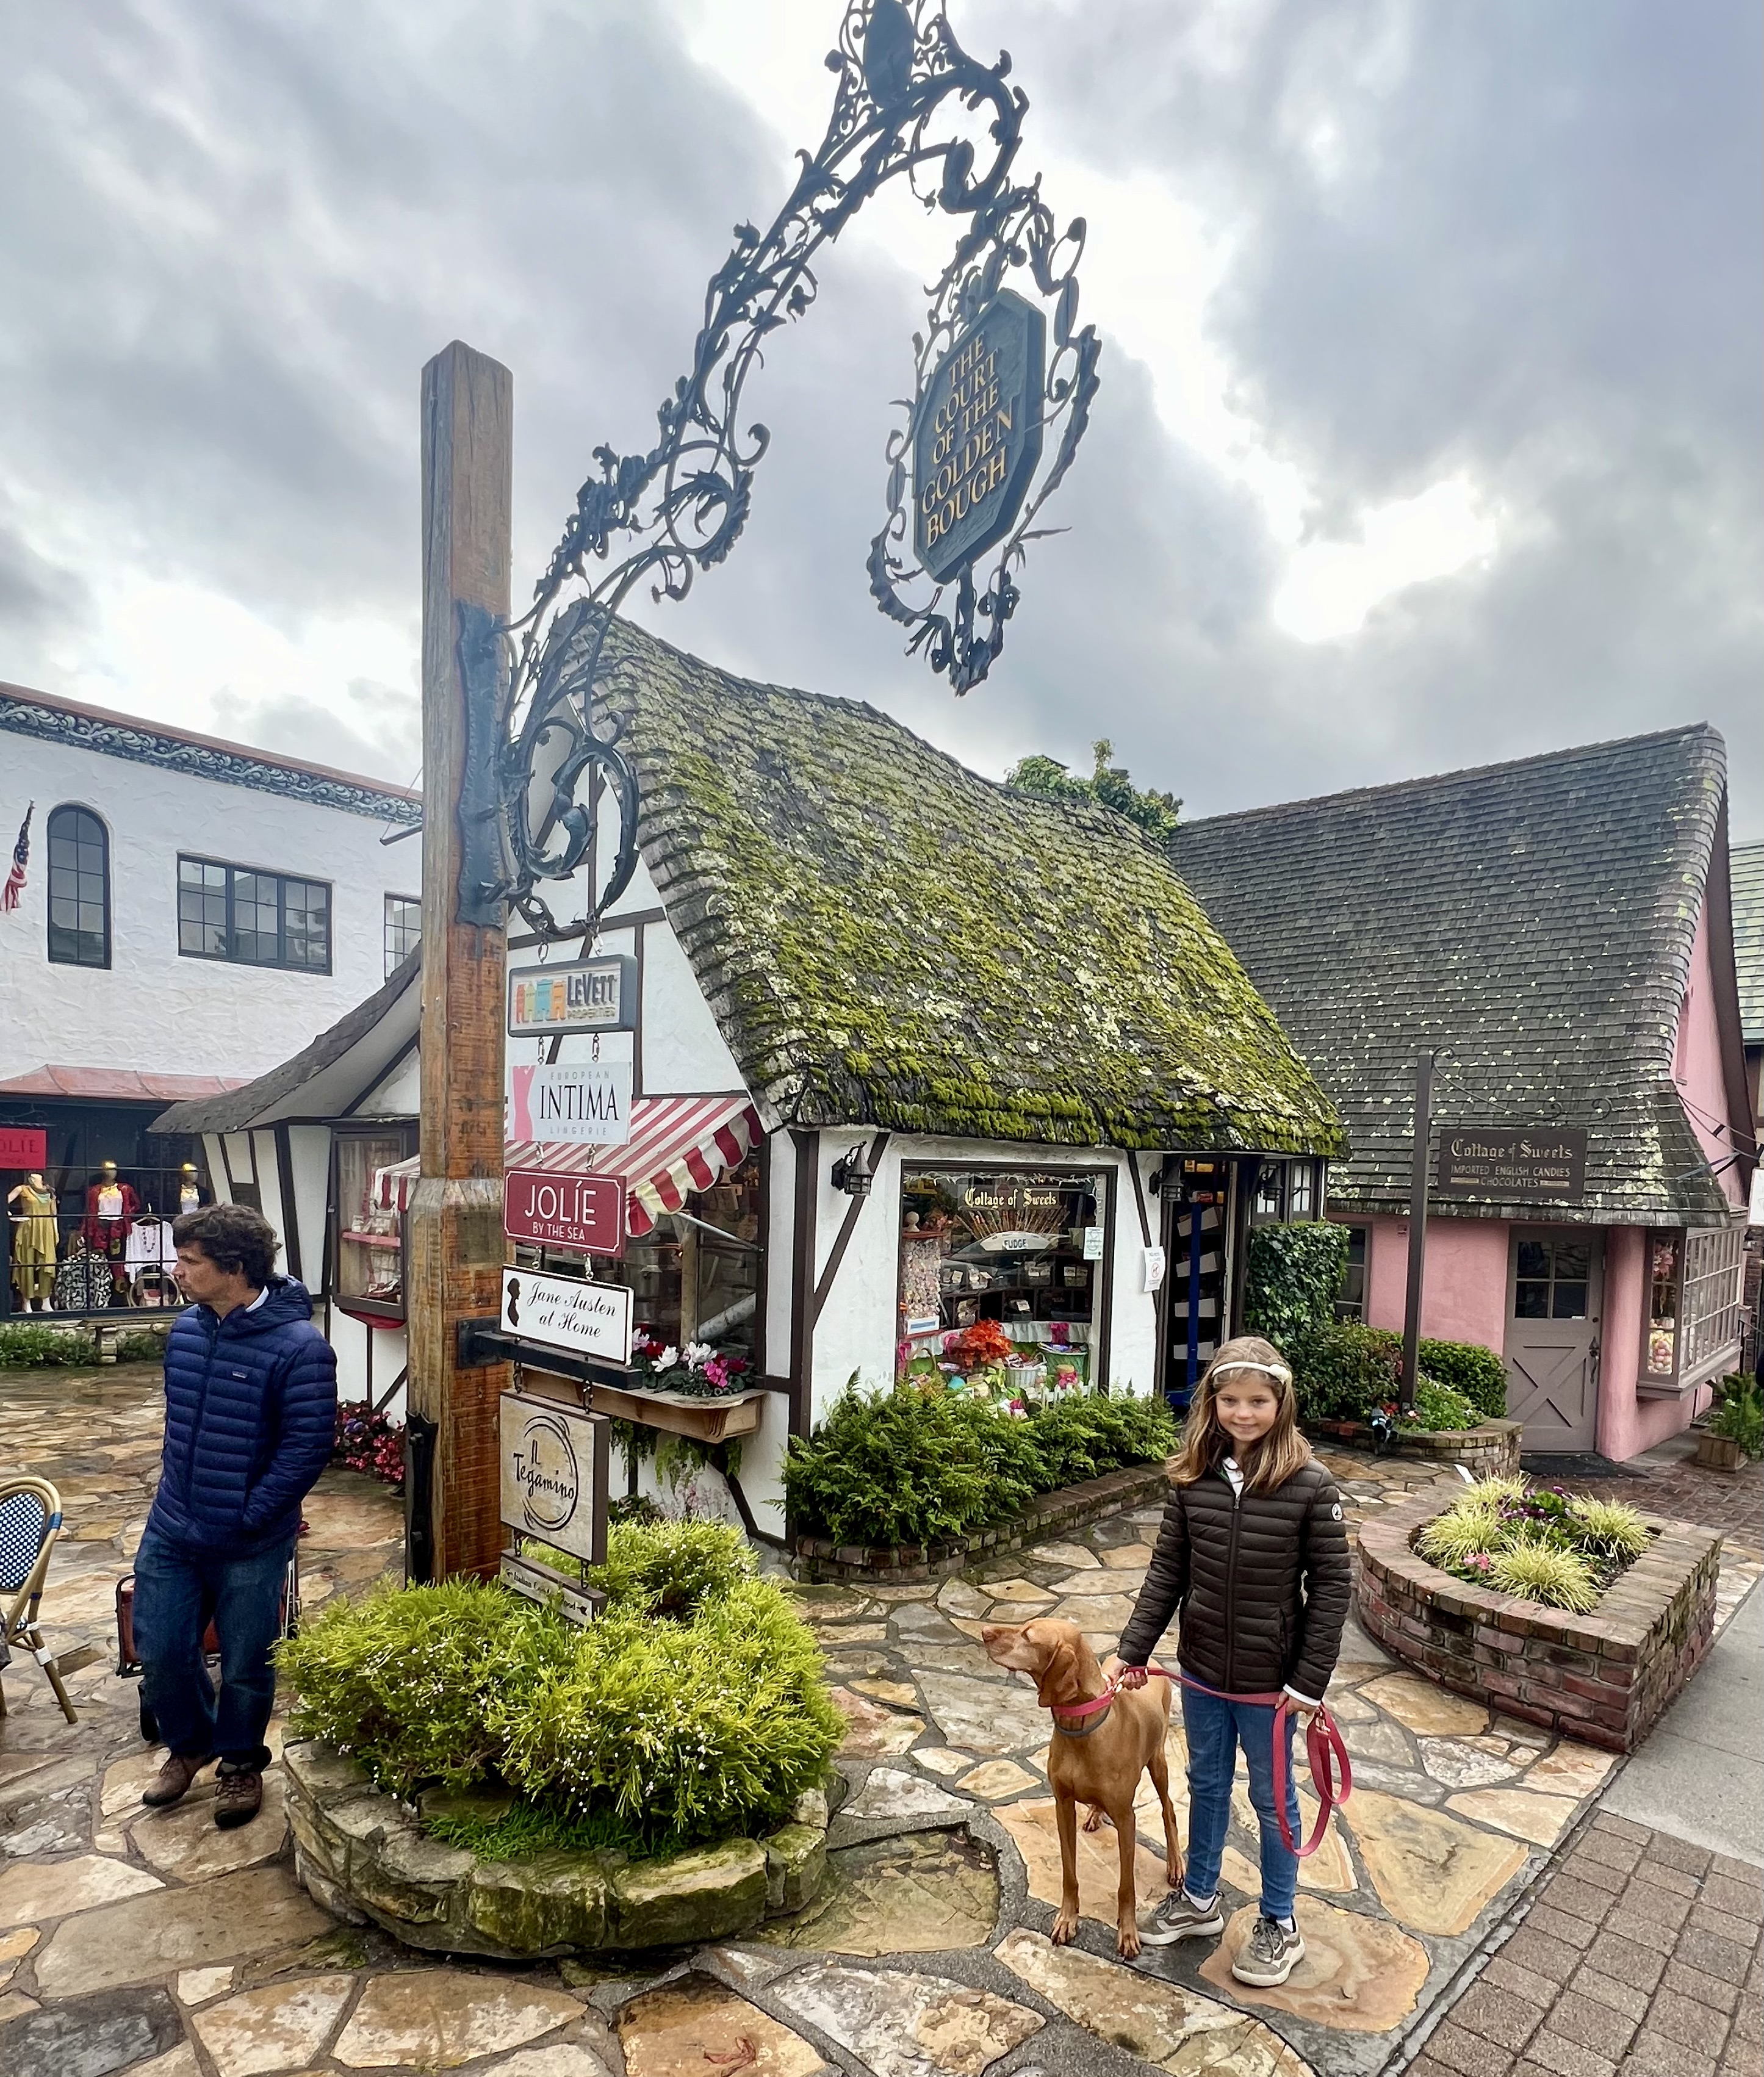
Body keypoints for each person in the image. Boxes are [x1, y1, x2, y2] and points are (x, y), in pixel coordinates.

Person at [1114, 1334, 1350, 1987]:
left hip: (1269, 1684)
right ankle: (1199, 1899)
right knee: (1207, 1785)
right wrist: (1132, 1650)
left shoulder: (1308, 1483)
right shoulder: (1192, 1477)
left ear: (1281, 1401)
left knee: (1273, 1801)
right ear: (1211, 1401)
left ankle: (1279, 1920)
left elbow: (1331, 1587)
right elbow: (1167, 1570)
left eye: (1256, 1400)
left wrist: (1306, 1682)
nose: (1242, 1413)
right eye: (1229, 1399)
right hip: (1201, 1672)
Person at [134, 1203, 337, 1827]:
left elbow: (307, 1445)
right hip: (174, 1526)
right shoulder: (190, 1329)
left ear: (235, 1267)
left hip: (249, 1538)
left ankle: (240, 1762)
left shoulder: (299, 1346)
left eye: (192, 1261)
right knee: (162, 1648)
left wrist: (252, 1512)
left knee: (249, 1660)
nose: (178, 1270)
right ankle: (189, 1744)